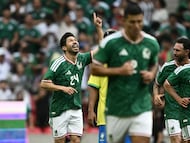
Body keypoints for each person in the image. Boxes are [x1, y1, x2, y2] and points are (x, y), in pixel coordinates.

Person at [91, 2, 160, 143]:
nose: (136, 26)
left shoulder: (151, 43)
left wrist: (151, 74)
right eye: (132, 22)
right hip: (116, 109)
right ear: (123, 20)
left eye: (139, 21)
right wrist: (119, 71)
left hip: (142, 106)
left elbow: (154, 64)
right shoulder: (111, 43)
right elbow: (95, 68)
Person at [40, 32, 93, 143]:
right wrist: (62, 88)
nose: (75, 42)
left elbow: (101, 51)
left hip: (76, 107)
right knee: (60, 141)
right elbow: (44, 83)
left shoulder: (82, 59)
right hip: (59, 109)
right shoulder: (58, 63)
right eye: (71, 40)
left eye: (76, 40)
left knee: (76, 140)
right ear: (64, 47)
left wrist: (98, 28)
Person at [153, 37, 190, 143]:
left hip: (187, 110)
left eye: (177, 50)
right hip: (172, 111)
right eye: (174, 50)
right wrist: (156, 96)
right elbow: (156, 84)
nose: (174, 53)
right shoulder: (167, 67)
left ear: (187, 52)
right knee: (176, 140)